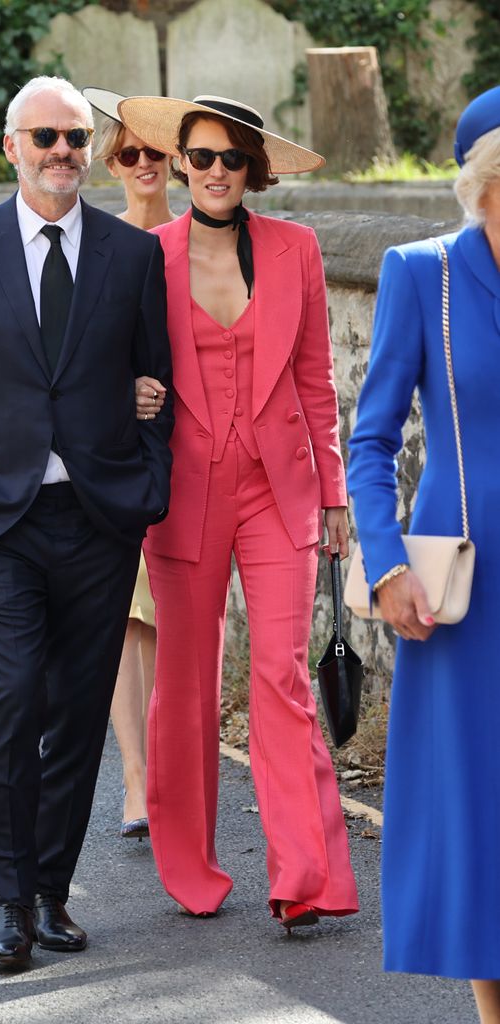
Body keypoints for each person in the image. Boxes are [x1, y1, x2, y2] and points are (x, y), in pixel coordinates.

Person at [0, 76, 173, 967]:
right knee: (12, 695)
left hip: (97, 519)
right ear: (9, 149)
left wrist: (148, 481)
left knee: (79, 712)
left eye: (74, 137)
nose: (62, 151)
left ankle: (53, 893)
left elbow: (156, 388)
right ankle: (8, 904)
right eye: (44, 137)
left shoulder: (131, 259)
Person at [120, 94, 358, 928]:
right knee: (183, 685)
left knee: (281, 676)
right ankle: (189, 867)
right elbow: (114, 368)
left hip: (276, 487)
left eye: (230, 157)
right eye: (200, 156)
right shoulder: (146, 256)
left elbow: (315, 380)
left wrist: (333, 492)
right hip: (182, 493)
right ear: (180, 163)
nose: (214, 171)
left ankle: (304, 875)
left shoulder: (296, 249)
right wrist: (135, 394)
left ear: (251, 167)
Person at [347, 84, 500, 1020]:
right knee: (477, 802)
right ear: (485, 182)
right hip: (465, 588)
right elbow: (368, 440)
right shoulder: (422, 272)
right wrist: (388, 560)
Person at [84, 86, 174, 837]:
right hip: (116, 452)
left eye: (156, 153)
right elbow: (71, 357)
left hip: (193, 448)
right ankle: (136, 776)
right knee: (125, 618)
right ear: (111, 164)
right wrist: (123, 389)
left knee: (174, 619)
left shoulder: (193, 240)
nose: (144, 164)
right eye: (130, 154)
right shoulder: (96, 245)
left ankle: (172, 766)